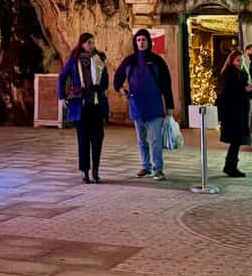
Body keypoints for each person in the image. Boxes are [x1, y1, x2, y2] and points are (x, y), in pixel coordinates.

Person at [113, 28, 175, 180]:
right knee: (141, 140)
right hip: (136, 105)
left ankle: (158, 169)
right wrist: (121, 90)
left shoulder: (157, 60)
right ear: (135, 42)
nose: (141, 43)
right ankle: (145, 166)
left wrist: (170, 106)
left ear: (149, 42)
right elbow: (117, 78)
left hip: (154, 104)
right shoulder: (130, 60)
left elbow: (167, 84)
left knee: (155, 140)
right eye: (139, 40)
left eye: (144, 40)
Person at [58, 33, 109, 184]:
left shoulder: (99, 59)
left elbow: (106, 81)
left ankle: (96, 170)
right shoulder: (74, 60)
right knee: (83, 139)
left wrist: (98, 86)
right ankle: (84, 172)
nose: (91, 45)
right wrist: (62, 97)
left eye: (93, 43)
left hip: (96, 104)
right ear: (82, 44)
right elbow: (62, 77)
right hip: (81, 105)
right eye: (88, 43)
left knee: (97, 138)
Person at [217, 50, 252, 177]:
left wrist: (250, 90)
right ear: (232, 61)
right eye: (237, 60)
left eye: (241, 60)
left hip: (241, 111)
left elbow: (245, 94)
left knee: (237, 141)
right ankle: (230, 166)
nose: (240, 63)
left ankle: (230, 166)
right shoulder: (228, 74)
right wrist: (243, 89)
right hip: (232, 113)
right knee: (236, 140)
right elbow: (227, 93)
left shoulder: (242, 74)